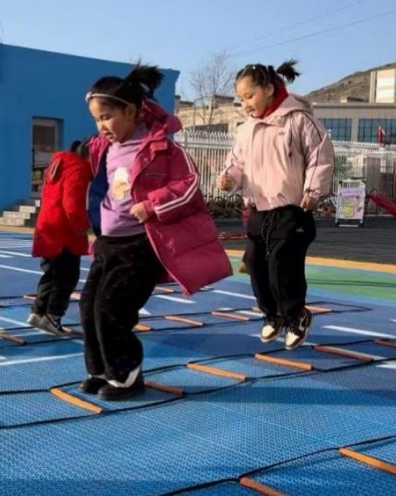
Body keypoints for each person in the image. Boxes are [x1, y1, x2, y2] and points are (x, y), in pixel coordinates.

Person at [80, 63, 232, 400]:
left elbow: (189, 185)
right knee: (88, 307)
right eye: (96, 119)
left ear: (131, 111)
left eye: (107, 116)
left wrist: (152, 205)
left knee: (111, 310)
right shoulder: (103, 148)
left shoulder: (161, 149)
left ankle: (126, 377)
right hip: (107, 243)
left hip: (140, 246)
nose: (101, 125)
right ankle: (100, 370)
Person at [218, 60, 334, 350]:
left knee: (282, 265)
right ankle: (272, 315)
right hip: (259, 209)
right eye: (241, 99)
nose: (245, 104)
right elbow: (236, 163)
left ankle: (296, 315)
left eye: (250, 96)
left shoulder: (298, 119)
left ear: (269, 89)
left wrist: (313, 190)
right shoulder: (246, 129)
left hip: (292, 209)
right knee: (255, 265)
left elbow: (320, 155)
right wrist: (229, 179)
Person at [28, 139, 92, 336]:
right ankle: (53, 317)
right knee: (67, 277)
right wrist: (82, 225)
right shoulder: (79, 168)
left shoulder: (59, 164)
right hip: (64, 231)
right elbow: (72, 202)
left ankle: (38, 312)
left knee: (50, 273)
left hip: (48, 226)